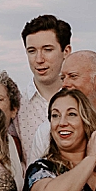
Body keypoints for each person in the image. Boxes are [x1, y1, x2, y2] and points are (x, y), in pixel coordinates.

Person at [17, 14, 72, 159]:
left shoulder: (81, 100)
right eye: (32, 51)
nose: (39, 59)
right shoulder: (16, 104)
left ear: (66, 51)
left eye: (47, 49)